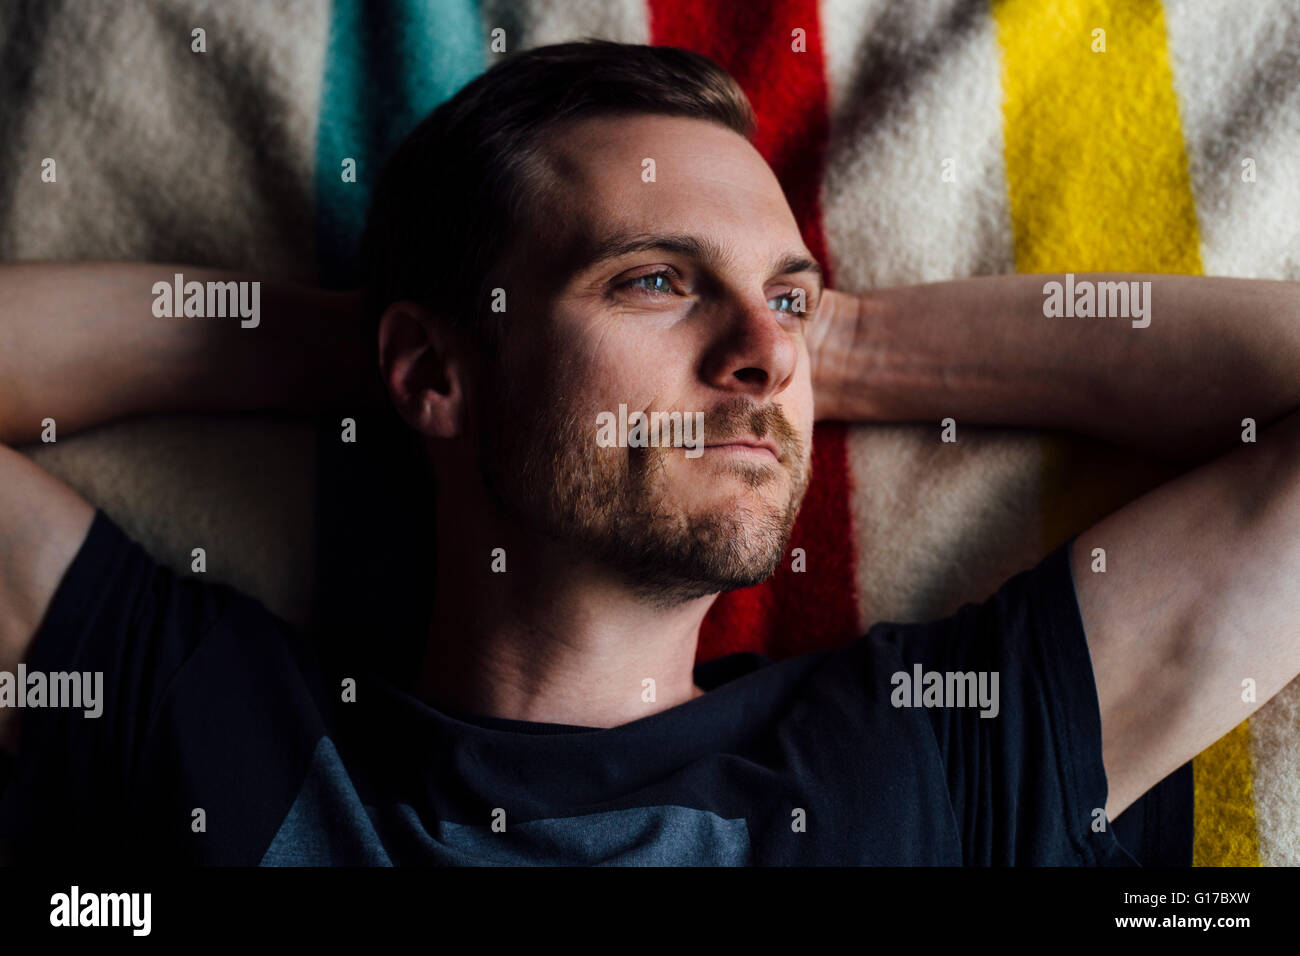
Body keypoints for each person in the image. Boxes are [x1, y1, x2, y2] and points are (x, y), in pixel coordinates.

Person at [0, 39, 1296, 866]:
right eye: (654, 280)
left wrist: (837, 348)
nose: (767, 352)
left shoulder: (929, 756)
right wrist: (385, 356)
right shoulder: (215, 731)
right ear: (432, 370)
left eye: (790, 297)